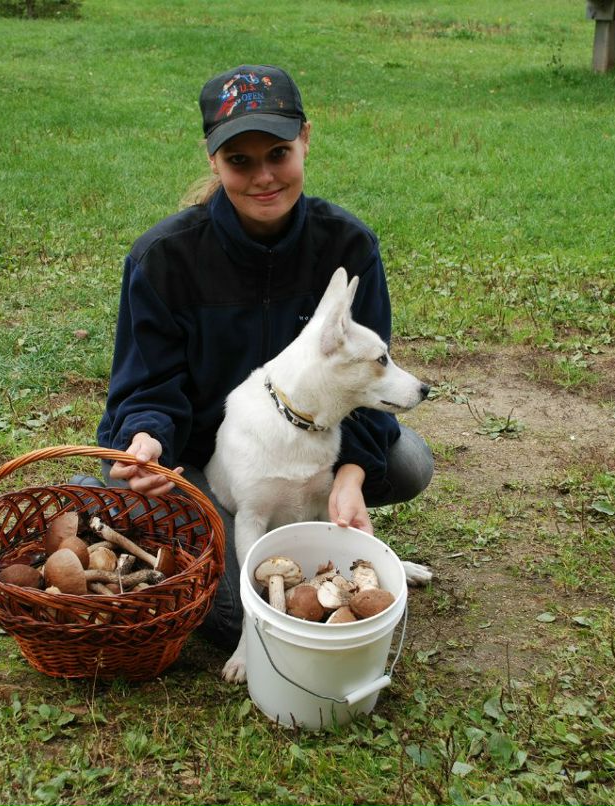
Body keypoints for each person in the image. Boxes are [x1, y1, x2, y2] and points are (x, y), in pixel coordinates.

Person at [88, 64, 433, 649]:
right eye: (240, 162)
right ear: (213, 160)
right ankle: (131, 512)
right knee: (236, 619)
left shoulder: (347, 246)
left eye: (278, 153)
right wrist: (147, 439)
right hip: (196, 458)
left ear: (305, 139)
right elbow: (144, 387)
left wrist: (351, 474)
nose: (263, 177)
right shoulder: (164, 259)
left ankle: (307, 521)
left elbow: (365, 382)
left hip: (303, 448)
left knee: (406, 463)